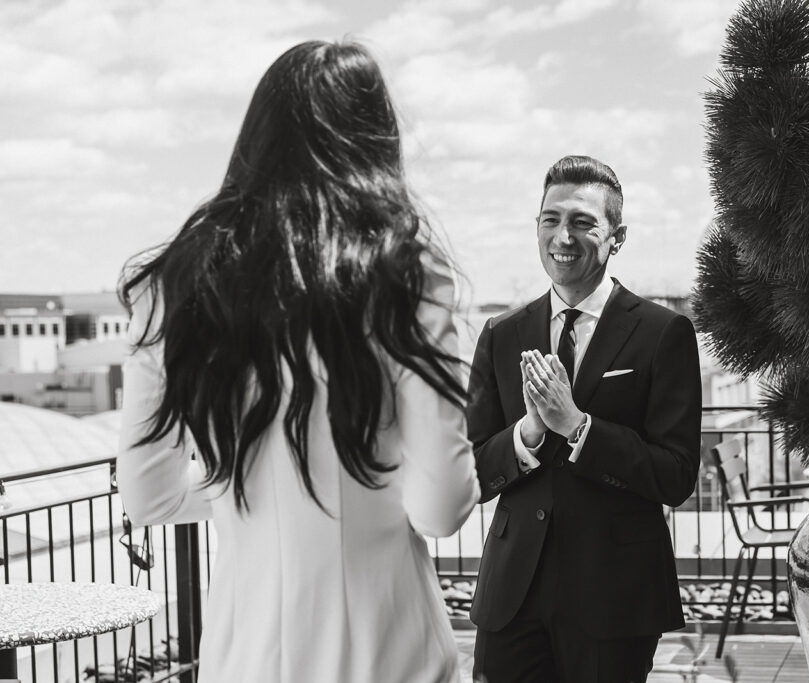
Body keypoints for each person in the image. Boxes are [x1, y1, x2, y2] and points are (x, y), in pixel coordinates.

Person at [116, 41, 480, 683]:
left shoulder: (173, 284)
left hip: (242, 659)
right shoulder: (405, 274)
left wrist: (241, 490)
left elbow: (147, 497)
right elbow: (442, 506)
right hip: (391, 655)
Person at [467, 155, 702, 682]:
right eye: (550, 219)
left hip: (615, 597)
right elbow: (474, 471)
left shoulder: (663, 333)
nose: (563, 237)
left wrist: (578, 427)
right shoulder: (501, 335)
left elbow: (677, 475)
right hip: (512, 596)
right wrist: (529, 433)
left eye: (582, 222)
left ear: (617, 236)